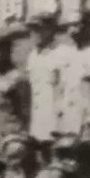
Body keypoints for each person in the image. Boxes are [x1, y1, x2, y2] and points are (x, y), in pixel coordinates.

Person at [57, 9, 90, 140]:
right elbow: (63, 89)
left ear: (88, 25)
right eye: (68, 26)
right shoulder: (67, 53)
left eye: (76, 25)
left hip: (89, 122)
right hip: (69, 122)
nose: (71, 31)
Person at [0, 30, 31, 150]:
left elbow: (25, 113)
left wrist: (21, 137)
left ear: (7, 50)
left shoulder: (18, 78)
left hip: (12, 139)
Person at [25, 10, 64, 146]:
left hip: (56, 124)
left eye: (38, 29)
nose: (34, 34)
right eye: (32, 30)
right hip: (37, 124)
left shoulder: (62, 53)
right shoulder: (33, 56)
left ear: (50, 30)